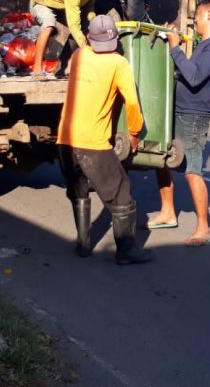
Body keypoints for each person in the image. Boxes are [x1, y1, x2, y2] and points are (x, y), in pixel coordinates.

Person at [57, 14, 153, 265]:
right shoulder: (118, 63)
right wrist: (134, 132)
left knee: (78, 188)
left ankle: (83, 244)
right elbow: (132, 102)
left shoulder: (79, 55)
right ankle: (126, 251)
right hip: (93, 143)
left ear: (89, 38)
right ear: (115, 39)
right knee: (120, 193)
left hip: (65, 140)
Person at [146, 0, 210, 246]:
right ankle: (167, 212)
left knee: (192, 170)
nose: (194, 21)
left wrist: (175, 48)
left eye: (197, 16)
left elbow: (194, 77)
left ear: (209, 15)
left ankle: (203, 228)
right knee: (161, 160)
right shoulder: (207, 44)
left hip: (193, 115)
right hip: (179, 110)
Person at [28, 0, 113, 78]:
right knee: (49, 23)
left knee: (83, 28)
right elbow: (74, 26)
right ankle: (37, 70)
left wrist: (94, 23)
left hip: (61, 6)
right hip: (40, 3)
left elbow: (89, 10)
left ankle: (64, 69)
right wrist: (88, 51)